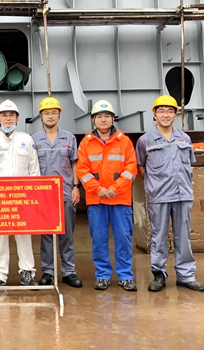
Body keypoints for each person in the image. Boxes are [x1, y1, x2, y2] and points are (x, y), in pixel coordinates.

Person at [136, 95, 204, 292]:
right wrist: (152, 184)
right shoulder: (145, 140)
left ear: (175, 114)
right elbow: (140, 166)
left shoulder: (184, 139)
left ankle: (186, 275)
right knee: (158, 235)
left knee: (183, 235)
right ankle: (158, 274)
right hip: (159, 195)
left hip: (183, 194)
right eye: (161, 111)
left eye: (169, 111)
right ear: (154, 114)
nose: (165, 115)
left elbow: (189, 164)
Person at [77, 100, 138, 291]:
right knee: (99, 239)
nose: (103, 120)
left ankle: (125, 276)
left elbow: (131, 168)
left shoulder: (124, 141)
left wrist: (115, 188)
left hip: (120, 199)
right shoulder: (86, 143)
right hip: (97, 200)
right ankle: (102, 275)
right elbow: (82, 170)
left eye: (107, 116)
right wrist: (98, 189)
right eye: (99, 117)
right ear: (93, 120)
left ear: (113, 119)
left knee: (123, 238)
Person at [0, 99, 40, 287]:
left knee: (24, 235)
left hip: (22, 198)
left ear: (17, 118)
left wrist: (33, 197)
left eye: (11, 115)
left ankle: (27, 273)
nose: (8, 118)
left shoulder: (27, 140)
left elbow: (34, 170)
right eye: (4, 115)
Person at [32, 97, 83, 288]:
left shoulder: (69, 138)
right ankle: (48, 272)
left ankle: (69, 272)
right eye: (46, 113)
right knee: (46, 235)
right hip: (43, 196)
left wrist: (76, 187)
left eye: (54, 112)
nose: (50, 116)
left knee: (66, 234)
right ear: (41, 116)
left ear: (59, 115)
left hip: (66, 193)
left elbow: (74, 163)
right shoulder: (34, 140)